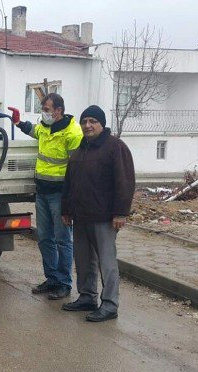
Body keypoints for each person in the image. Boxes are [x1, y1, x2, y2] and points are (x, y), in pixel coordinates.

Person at [61, 105, 135, 322]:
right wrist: (66, 210)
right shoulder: (80, 149)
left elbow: (125, 182)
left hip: (104, 218)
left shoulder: (115, 147)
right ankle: (87, 297)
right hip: (81, 216)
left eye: (93, 121)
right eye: (84, 121)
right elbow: (69, 182)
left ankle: (110, 304)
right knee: (83, 260)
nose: (88, 125)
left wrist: (121, 213)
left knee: (107, 262)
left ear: (102, 124)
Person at [16, 93, 83, 300]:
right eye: (43, 109)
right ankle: (52, 278)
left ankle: (64, 283)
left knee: (63, 240)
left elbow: (77, 170)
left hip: (60, 194)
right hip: (43, 192)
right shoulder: (45, 127)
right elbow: (34, 130)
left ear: (58, 111)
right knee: (45, 238)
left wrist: (71, 203)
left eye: (46, 109)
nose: (43, 113)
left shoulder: (73, 133)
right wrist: (19, 122)